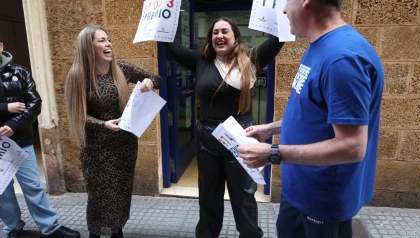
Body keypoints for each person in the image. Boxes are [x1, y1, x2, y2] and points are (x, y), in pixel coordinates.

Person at [237, 0, 384, 237]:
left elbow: (352, 147)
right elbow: (315, 114)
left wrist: (273, 153)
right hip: (300, 188)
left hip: (322, 198)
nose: (284, 9)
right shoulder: (319, 46)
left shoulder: (343, 58)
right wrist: (270, 129)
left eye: (287, 1)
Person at [165, 17, 284, 238]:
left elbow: (278, 40)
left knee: (244, 195)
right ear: (210, 39)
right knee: (208, 195)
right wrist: (164, 18)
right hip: (208, 138)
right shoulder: (201, 60)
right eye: (215, 32)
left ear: (235, 36)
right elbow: (171, 47)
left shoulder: (251, 58)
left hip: (240, 135)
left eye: (225, 31)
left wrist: (280, 13)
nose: (219, 35)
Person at [64, 25, 162, 238]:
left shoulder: (122, 69)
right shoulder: (78, 76)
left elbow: (158, 79)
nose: (108, 44)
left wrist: (148, 82)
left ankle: (117, 231)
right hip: (96, 149)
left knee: (120, 192)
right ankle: (96, 233)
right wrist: (103, 124)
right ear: (88, 47)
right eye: (101, 40)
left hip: (124, 145)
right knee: (99, 195)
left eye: (108, 39)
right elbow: (78, 115)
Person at [0, 42, 81, 238]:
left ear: (1, 46)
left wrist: (13, 124)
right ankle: (12, 227)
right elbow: (15, 106)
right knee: (2, 191)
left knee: (32, 186)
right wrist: (6, 108)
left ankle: (50, 227)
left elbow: (34, 104)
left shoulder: (20, 72)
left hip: (20, 140)